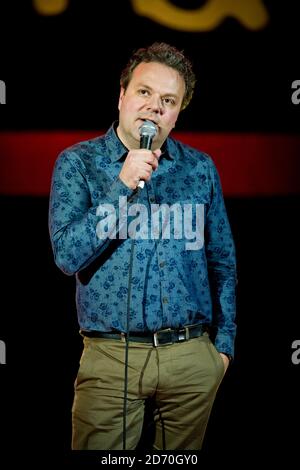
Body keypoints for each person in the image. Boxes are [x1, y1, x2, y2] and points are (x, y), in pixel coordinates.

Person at [48, 42, 237, 451]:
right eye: (144, 92)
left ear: (178, 112)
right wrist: (121, 184)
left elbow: (222, 260)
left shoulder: (199, 167)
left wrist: (222, 350)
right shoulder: (78, 163)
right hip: (112, 357)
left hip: (191, 357)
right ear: (122, 95)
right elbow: (67, 256)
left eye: (168, 100)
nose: (154, 107)